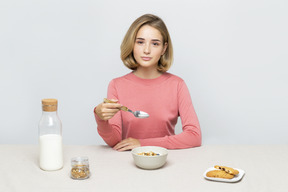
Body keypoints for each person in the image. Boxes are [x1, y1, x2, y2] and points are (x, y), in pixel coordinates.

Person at [94, 14, 201, 151]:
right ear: (132, 44)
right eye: (140, 42)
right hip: (128, 163)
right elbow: (115, 141)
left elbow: (194, 136)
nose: (147, 50)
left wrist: (142, 143)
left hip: (165, 162)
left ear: (164, 48)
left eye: (155, 43)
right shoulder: (116, 85)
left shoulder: (177, 85)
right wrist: (100, 118)